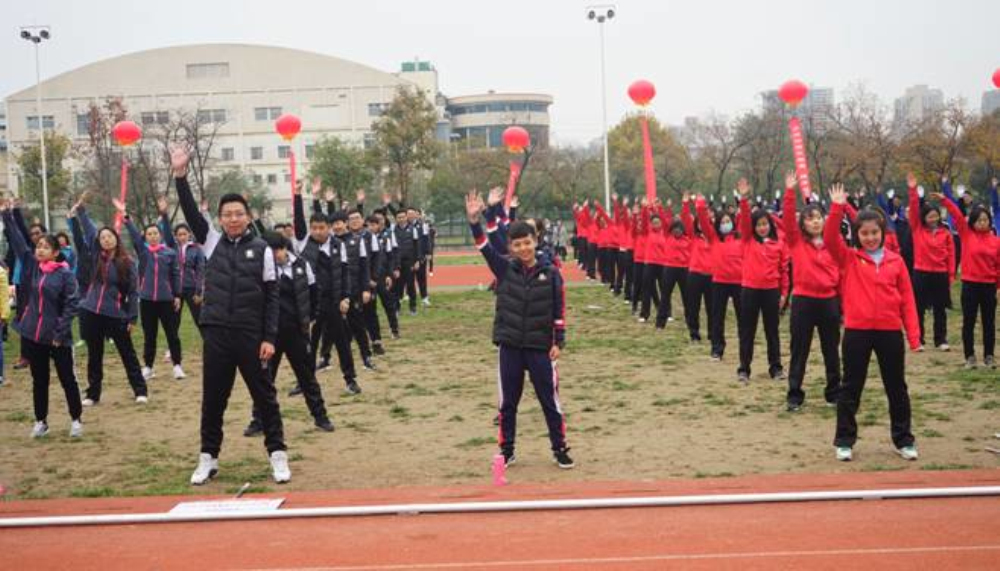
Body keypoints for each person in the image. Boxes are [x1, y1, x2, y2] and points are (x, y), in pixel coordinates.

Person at [170, 145, 290, 486]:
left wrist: (269, 338)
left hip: (251, 336)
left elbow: (272, 296)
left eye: (238, 213)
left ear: (248, 217)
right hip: (217, 334)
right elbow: (190, 212)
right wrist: (180, 175)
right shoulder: (211, 242)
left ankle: (278, 455)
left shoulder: (263, 249)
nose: (233, 219)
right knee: (213, 400)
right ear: (220, 219)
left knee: (265, 398)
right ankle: (208, 458)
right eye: (227, 214)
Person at [465, 190, 574, 469]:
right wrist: (474, 221)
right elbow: (483, 246)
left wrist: (558, 342)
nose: (524, 248)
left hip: (540, 346)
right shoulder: (504, 269)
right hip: (510, 345)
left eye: (528, 242)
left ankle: (559, 448)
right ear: (511, 247)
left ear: (535, 241)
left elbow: (559, 310)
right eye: (518, 244)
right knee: (508, 403)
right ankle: (507, 449)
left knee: (549, 401)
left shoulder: (551, 273)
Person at [825, 183, 920, 462]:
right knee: (850, 387)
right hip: (857, 332)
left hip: (889, 332)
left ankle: (903, 440)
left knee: (896, 388)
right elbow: (830, 238)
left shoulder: (896, 261)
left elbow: (907, 300)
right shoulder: (849, 258)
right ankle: (844, 441)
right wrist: (837, 208)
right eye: (864, 233)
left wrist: (914, 336)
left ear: (883, 232)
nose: (870, 238)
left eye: (874, 232)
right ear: (857, 234)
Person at [2, 202, 82, 439]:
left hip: (57, 337)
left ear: (56, 252)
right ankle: (41, 421)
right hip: (33, 336)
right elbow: (18, 242)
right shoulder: (32, 267)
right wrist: (6, 215)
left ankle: (76, 419)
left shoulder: (65, 274)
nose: (40, 250)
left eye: (46, 247)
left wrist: (60, 333)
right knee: (39, 380)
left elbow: (71, 305)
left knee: (67, 379)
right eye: (38, 246)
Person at [244, 232, 335, 436]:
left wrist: (309, 318)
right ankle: (258, 421)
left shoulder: (302, 265)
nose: (275, 255)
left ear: (285, 247)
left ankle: (321, 417)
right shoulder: (260, 269)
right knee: (265, 379)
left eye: (278, 250)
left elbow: (314, 293)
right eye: (270, 251)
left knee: (307, 377)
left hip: (296, 331)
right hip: (270, 335)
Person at [70, 196, 148, 406]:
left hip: (115, 314)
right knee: (94, 356)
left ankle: (140, 390)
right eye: (102, 237)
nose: (105, 239)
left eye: (109, 236)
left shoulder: (127, 262)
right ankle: (92, 394)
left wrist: (132, 318)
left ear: (116, 238)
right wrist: (81, 211)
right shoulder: (96, 256)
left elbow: (133, 292)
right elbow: (89, 231)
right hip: (90, 312)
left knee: (127, 354)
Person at [781, 175, 842, 411]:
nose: (815, 222)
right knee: (799, 350)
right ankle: (794, 394)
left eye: (818, 217)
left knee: (831, 350)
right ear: (803, 224)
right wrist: (789, 193)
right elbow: (787, 221)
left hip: (828, 301)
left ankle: (833, 393)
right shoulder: (796, 242)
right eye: (810, 218)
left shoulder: (833, 243)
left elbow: (834, 225)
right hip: (803, 302)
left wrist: (837, 206)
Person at [292, 183, 360, 394]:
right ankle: (304, 382)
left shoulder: (339, 245)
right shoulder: (304, 241)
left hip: (333, 301)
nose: (317, 231)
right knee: (308, 344)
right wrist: (297, 195)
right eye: (314, 228)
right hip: (312, 302)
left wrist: (346, 297)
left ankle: (350, 380)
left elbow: (345, 273)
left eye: (322, 228)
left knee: (342, 342)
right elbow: (299, 220)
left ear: (329, 228)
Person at [116, 198, 184, 381]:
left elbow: (176, 275)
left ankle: (177, 365)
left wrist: (177, 295)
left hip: (166, 300)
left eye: (155, 233)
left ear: (160, 235)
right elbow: (133, 235)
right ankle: (148, 367)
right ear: (145, 237)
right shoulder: (143, 252)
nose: (153, 236)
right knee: (149, 335)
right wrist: (125, 216)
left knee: (172, 334)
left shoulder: (169, 253)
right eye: (149, 234)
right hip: (147, 301)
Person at [735, 178, 789, 382]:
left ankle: (776, 368)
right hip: (750, 290)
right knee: (747, 331)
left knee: (772, 331)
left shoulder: (778, 244)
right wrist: (743, 199)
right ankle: (744, 368)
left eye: (765, 224)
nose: (762, 227)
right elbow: (744, 220)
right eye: (758, 225)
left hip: (771, 291)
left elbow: (784, 270)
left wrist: (784, 294)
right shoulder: (748, 240)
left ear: (770, 224)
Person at [939, 189, 999, 369]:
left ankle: (989, 356)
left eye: (985, 220)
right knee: (969, 322)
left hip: (989, 286)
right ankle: (970, 356)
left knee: (989, 323)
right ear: (973, 222)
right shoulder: (967, 235)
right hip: (970, 285)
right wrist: (946, 200)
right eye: (979, 220)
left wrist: (998, 286)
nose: (983, 223)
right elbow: (957, 216)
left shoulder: (996, 241)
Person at [907, 174, 955, 351]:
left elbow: (951, 255)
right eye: (930, 216)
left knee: (940, 308)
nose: (933, 219)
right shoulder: (917, 229)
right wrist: (913, 190)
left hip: (940, 274)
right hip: (921, 273)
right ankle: (918, 339)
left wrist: (950, 274)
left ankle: (940, 339)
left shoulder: (945, 233)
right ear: (924, 218)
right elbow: (913, 209)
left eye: (936, 216)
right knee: (918, 308)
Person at [696, 198, 743, 361]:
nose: (725, 224)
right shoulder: (713, 238)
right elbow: (703, 222)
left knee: (743, 318)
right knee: (717, 317)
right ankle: (717, 349)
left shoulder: (740, 238)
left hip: (739, 283)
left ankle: (745, 347)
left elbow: (745, 220)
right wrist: (700, 206)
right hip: (719, 282)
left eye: (728, 221)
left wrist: (742, 202)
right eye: (722, 222)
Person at [161, 194, 206, 330]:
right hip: (175, 289)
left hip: (191, 288)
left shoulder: (196, 249)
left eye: (184, 234)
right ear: (176, 236)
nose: (182, 237)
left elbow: (200, 270)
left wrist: (199, 291)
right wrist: (164, 214)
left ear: (189, 234)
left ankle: (208, 341)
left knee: (200, 319)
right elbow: (167, 232)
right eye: (179, 234)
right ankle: (173, 343)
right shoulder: (172, 247)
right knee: (173, 321)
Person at [681, 193, 713, 342]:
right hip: (695, 275)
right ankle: (694, 333)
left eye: (704, 222)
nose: (702, 224)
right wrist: (686, 204)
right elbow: (686, 218)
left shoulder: (714, 238)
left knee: (712, 308)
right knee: (693, 306)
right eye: (699, 222)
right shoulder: (693, 236)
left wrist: (703, 207)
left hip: (711, 275)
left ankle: (712, 333)